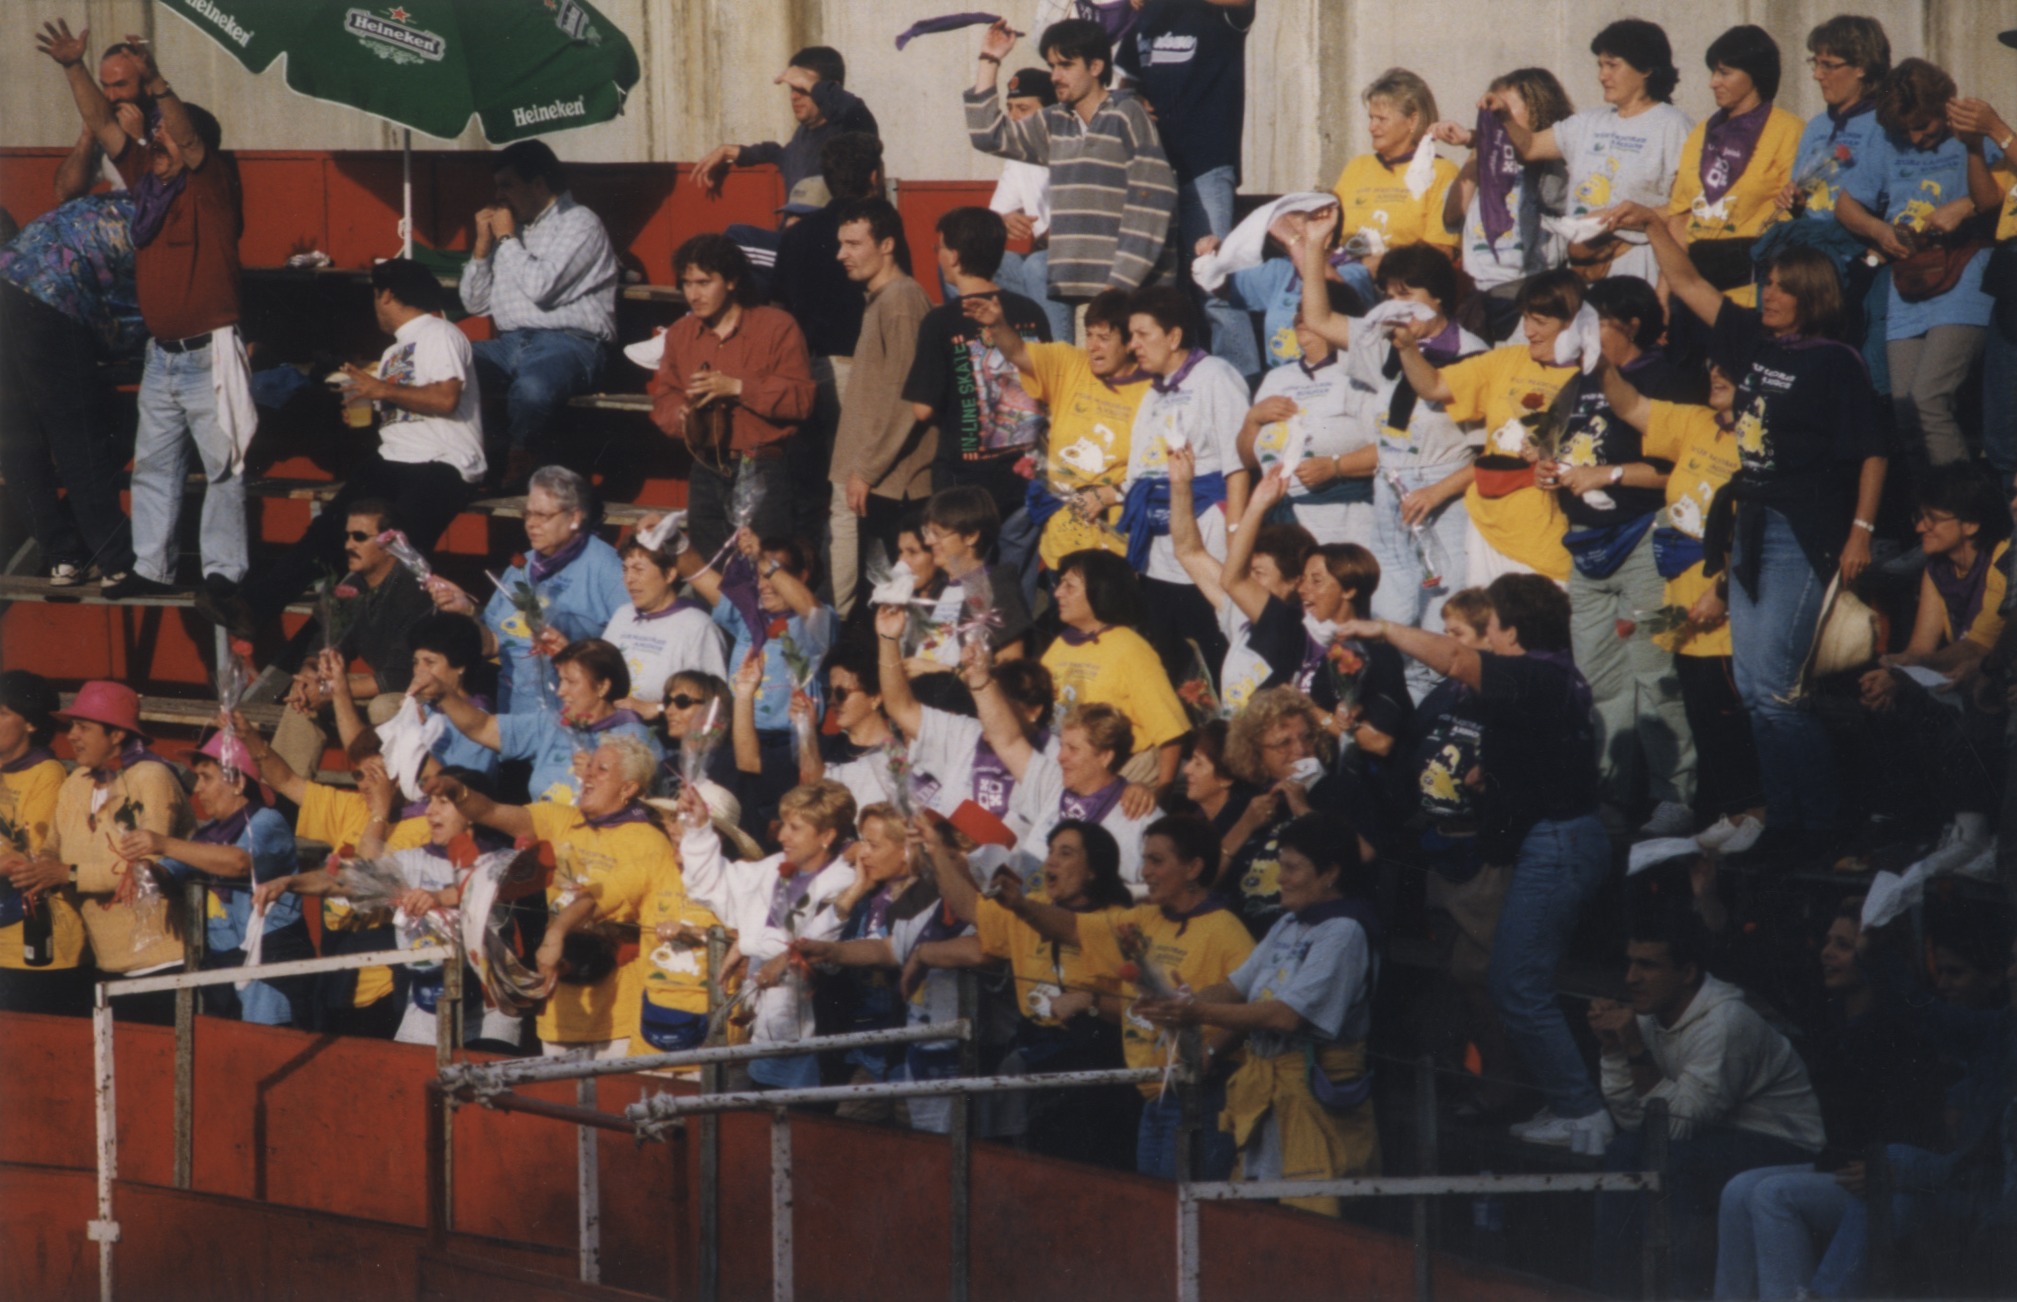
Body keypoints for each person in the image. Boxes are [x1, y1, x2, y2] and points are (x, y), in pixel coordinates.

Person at [1606, 202, 1887, 859]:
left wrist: (1861, 530)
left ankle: (1820, 825)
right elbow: (1689, 283)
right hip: (1750, 525)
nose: (1769, 295)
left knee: (1779, 693)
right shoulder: (1753, 342)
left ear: (1812, 295)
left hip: (1800, 528)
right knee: (1758, 693)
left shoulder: (1835, 361)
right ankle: (1783, 821)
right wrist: (1652, 227)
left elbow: (1872, 450)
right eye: (1768, 283)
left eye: (1783, 287)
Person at [1339, 576, 1610, 1151]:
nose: (1488, 635)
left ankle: (1585, 1113)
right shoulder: (1543, 678)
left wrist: (1382, 628)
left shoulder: (1541, 674)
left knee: (1517, 986)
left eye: (1491, 625)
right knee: (1513, 984)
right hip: (1546, 839)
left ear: (1510, 631)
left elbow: (1458, 661)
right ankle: (1572, 1106)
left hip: (1559, 843)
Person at [41, 23, 247, 606]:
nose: (154, 146)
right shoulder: (148, 184)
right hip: (163, 356)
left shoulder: (209, 185)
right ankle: (152, 566)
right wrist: (73, 67)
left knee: (224, 467)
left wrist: (155, 81)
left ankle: (224, 575)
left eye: (164, 140)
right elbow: (104, 126)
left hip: (210, 353)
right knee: (154, 466)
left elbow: (189, 136)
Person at [988, 814, 1255, 1180]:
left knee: (1182, 1206)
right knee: (1153, 1202)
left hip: (1202, 1097)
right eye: (1144, 860)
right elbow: (1073, 928)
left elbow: (1252, 1009)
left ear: (1193, 868)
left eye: (1156, 861)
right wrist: (1019, 904)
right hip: (1151, 1094)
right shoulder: (1142, 919)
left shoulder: (1228, 932)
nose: (1145, 872)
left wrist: (1209, 1053)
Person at [1140, 813, 1381, 1216]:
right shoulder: (1288, 922)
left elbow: (1286, 1017)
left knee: (1306, 1220)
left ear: (1330, 873)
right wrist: (1177, 1003)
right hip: (1268, 1094)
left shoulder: (1344, 931)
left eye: (1291, 868)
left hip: (1313, 1097)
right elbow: (1235, 987)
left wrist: (1196, 1011)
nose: (1279, 879)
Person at [1713, 901, 1947, 1302]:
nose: (1827, 953)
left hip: (1884, 1179)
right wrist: (1713, 907)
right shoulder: (1830, 1013)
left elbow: (1920, 1120)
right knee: (1738, 1190)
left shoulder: (1904, 1028)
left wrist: (1887, 1165)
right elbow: (1760, 972)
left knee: (1772, 1196)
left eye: (1843, 945)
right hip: (1836, 1168)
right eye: (1827, 941)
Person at [1587, 908, 1825, 1299]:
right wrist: (1614, 1050)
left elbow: (1676, 1129)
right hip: (1713, 1133)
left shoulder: (1726, 1022)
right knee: (1623, 1149)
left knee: (1675, 1161)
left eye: (1647, 965)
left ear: (1687, 973)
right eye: (1630, 963)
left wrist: (1633, 1048)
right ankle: (1613, 1292)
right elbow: (1634, 1122)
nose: (1631, 978)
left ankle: (1679, 1294)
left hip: (1784, 1140)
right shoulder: (1648, 1015)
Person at [239, 258, 485, 628]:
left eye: (374, 295)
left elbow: (445, 398)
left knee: (384, 557)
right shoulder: (391, 353)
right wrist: (364, 409)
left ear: (386, 295)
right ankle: (253, 607)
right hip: (394, 457)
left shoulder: (440, 333)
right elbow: (399, 408)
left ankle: (312, 647)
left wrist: (382, 390)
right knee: (329, 531)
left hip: (443, 463)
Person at [1301, 228, 1486, 699]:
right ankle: (1397, 711)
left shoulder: (1472, 354)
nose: (1395, 306)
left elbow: (1490, 455)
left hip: (1443, 496)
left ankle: (1437, 715)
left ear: (1437, 298)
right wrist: (1312, 252)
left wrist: (1437, 492)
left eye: (1407, 295)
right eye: (1388, 295)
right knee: (1390, 611)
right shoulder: (1383, 343)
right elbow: (1319, 319)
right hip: (1391, 489)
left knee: (1438, 616)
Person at [1544, 276, 1697, 837]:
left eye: (1595, 322)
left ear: (1631, 325)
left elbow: (1682, 468)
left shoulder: (1666, 380)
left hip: (1646, 539)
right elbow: (1557, 445)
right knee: (1598, 676)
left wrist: (1608, 474)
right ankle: (1612, 796)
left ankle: (1675, 795)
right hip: (1586, 546)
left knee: (1655, 672)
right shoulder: (1576, 384)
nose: (1581, 334)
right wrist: (1548, 470)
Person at [429, 737, 676, 1059]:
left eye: (602, 769)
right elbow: (490, 811)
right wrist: (459, 793)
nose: (588, 775)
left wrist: (565, 931)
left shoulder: (650, 842)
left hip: (619, 1013)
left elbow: (619, 907)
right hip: (559, 1010)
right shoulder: (562, 819)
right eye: (589, 766)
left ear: (628, 788)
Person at [1599, 361, 1765, 842]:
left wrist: (1724, 589)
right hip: (1684, 600)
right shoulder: (1696, 421)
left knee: (1731, 717)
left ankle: (1756, 813)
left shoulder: (1759, 440)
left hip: (1727, 604)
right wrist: (1597, 361)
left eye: (1729, 367)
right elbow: (1630, 405)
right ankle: (1733, 813)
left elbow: (1760, 527)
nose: (1716, 373)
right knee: (1704, 716)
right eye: (1712, 364)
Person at [921, 816, 1138, 1168]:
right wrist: (934, 849)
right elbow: (969, 908)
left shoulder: (1119, 920)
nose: (1051, 861)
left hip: (1097, 1064)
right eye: (1050, 851)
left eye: (1065, 853)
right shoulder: (1030, 905)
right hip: (1037, 1055)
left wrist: (1089, 1002)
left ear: (1093, 870)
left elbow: (1069, 927)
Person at [258, 765, 523, 1052]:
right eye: (430, 802)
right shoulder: (411, 861)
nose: (430, 811)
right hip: (427, 1006)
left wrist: (443, 896)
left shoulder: (502, 859)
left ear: (473, 810)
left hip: (491, 1007)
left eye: (443, 802)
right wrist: (290, 882)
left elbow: (498, 883)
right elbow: (345, 880)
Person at [1845, 59, 2005, 473]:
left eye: (1923, 127)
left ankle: (1959, 504)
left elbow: (2002, 192)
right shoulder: (1887, 139)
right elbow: (1846, 204)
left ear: (1944, 107)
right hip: (1910, 278)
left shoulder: (1969, 133)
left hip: (1963, 270)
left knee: (1929, 398)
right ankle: (1929, 504)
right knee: (1905, 408)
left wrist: (1964, 204)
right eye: (1906, 132)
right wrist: (1879, 230)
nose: (1915, 139)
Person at [3, 682, 195, 1025]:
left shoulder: (151, 777)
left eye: (83, 727)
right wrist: (43, 863)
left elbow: (146, 871)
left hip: (162, 961)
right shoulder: (77, 782)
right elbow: (52, 845)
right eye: (72, 726)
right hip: (106, 962)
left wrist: (67, 874)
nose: (72, 736)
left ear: (117, 734)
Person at [0, 125, 141, 588]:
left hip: (9, 275)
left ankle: (61, 554)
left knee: (17, 436)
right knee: (78, 435)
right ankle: (116, 559)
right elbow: (132, 320)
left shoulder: (96, 207)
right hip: (51, 298)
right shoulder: (153, 218)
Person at [966, 19, 1178, 311]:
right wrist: (990, 59)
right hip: (1071, 287)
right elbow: (988, 135)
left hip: (1130, 296)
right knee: (968, 267)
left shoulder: (1127, 115)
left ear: (1096, 67)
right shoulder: (1055, 121)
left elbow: (1153, 203)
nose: (1055, 76)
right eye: (1052, 66)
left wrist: (1117, 287)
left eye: (1066, 65)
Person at [1856, 467, 2009, 866]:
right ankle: (1915, 822)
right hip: (1958, 674)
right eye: (1919, 516)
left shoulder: (1999, 559)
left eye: (1933, 518)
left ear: (1970, 524)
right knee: (1885, 698)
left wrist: (1905, 668)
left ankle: (1976, 833)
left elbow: (1979, 643)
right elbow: (1921, 647)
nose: (1921, 527)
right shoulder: (1936, 568)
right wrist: (1893, 673)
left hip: (1989, 673)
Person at [1389, 269, 1582, 584]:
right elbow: (1434, 386)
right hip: (1485, 524)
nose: (1528, 331)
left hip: (1544, 535)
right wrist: (1407, 347)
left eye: (1540, 322)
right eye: (1525, 318)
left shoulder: (1591, 377)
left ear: (1573, 323)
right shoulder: (1507, 359)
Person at [670, 779, 859, 1089]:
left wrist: (748, 942)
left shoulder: (843, 883)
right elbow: (714, 887)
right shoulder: (773, 868)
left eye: (795, 828)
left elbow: (816, 946)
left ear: (826, 836)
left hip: (817, 1034)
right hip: (767, 1033)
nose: (782, 835)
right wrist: (700, 829)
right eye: (783, 825)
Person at [1114, 0, 1261, 377]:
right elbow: (1124, 85)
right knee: (1166, 293)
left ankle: (1242, 383)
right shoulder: (1144, 20)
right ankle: (1182, 383)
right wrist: (1134, 99)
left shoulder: (1217, 14)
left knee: (1213, 282)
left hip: (1206, 167)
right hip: (1154, 176)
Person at [458, 139, 618, 483]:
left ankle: (520, 460)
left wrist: (506, 240)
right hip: (509, 344)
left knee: (532, 388)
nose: (498, 196)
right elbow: (475, 303)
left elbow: (541, 287)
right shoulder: (511, 230)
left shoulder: (579, 223)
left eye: (507, 186)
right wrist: (482, 247)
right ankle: (456, 462)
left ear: (539, 185)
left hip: (570, 343)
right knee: (449, 363)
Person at [1487, 17, 1691, 285]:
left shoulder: (1674, 126)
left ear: (1646, 69)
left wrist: (1620, 219)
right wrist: (1503, 116)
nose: (1602, 75)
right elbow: (1530, 147)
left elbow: (1686, 210)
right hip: (1581, 268)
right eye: (1600, 65)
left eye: (1612, 65)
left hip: (1637, 264)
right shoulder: (1587, 123)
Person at [904, 207, 1051, 574]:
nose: (938, 256)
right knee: (1016, 580)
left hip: (964, 483)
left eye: (939, 248)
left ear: (953, 256)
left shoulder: (941, 321)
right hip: (1024, 473)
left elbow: (922, 409)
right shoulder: (1031, 312)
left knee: (971, 582)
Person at [648, 235, 813, 561]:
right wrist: (681, 415)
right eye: (687, 284)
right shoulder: (681, 333)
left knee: (765, 567)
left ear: (732, 281)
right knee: (711, 570)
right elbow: (664, 397)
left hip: (762, 465)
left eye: (704, 283)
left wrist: (737, 387)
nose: (693, 294)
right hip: (705, 465)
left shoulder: (777, 326)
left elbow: (802, 399)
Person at [964, 287, 1149, 573]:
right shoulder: (1070, 363)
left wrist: (1109, 494)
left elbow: (1157, 472)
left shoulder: (1150, 391)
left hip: (1115, 548)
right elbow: (1018, 352)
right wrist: (998, 325)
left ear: (1129, 343)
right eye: (1089, 335)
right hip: (1062, 544)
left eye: (1104, 338)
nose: (1092, 346)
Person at [1121, 285, 1253, 674]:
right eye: (1130, 335)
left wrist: (1235, 534)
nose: (1132, 345)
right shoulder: (1153, 392)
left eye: (1142, 334)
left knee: (1216, 651)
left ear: (1174, 336)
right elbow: (1139, 471)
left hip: (1207, 534)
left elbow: (1237, 466)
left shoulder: (1216, 376)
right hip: (1158, 549)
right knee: (1172, 661)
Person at [139, 731, 310, 1028]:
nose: (198, 789)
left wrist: (163, 844)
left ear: (238, 783)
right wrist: (145, 869)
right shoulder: (207, 834)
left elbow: (238, 862)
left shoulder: (267, 821)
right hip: (223, 963)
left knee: (266, 1043)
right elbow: (170, 871)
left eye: (206, 777)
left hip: (268, 964)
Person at [427, 465, 625, 715]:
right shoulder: (523, 565)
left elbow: (629, 653)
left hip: (573, 716)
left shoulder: (605, 567)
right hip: (514, 713)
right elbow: (492, 644)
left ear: (574, 518)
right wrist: (466, 612)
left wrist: (572, 654)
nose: (531, 524)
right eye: (528, 514)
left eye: (542, 515)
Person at [772, 132, 890, 547]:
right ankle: (844, 588)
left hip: (805, 369)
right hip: (861, 372)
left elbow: (779, 306)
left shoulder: (798, 235)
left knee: (810, 495)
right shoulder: (879, 236)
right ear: (873, 177)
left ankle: (812, 580)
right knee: (851, 498)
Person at [266, 501, 436, 776]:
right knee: (303, 701)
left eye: (359, 537)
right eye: (346, 536)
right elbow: (323, 646)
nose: (348, 545)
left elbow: (398, 677)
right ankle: (283, 795)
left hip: (428, 695)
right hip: (388, 686)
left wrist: (328, 691)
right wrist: (310, 675)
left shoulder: (414, 589)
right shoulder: (353, 588)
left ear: (389, 543)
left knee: (383, 708)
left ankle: (393, 797)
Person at [828, 197, 935, 618]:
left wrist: (867, 469)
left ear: (887, 245)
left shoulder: (901, 301)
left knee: (897, 603)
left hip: (895, 484)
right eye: (841, 244)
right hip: (879, 481)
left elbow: (906, 398)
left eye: (854, 244)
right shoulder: (882, 299)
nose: (841, 255)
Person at [876, 602, 1055, 835]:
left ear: (1033, 711)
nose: (986, 714)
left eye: (1001, 707)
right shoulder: (966, 733)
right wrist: (888, 639)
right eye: (984, 703)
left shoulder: (1057, 758)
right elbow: (900, 708)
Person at [1429, 67, 1575, 342]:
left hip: (1531, 291)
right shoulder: (1486, 160)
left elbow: (1549, 185)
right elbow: (1452, 217)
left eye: (1504, 108)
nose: (1495, 115)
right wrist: (1478, 147)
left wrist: (1479, 136)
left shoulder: (1552, 164)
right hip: (1482, 294)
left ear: (1538, 111)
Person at [1168, 446, 1315, 716]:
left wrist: (1257, 505)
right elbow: (1188, 551)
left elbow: (1233, 580)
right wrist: (1180, 486)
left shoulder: (1294, 627)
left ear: (1294, 582)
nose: (1249, 579)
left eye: (1259, 573)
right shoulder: (1240, 612)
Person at [1663, 26, 1803, 307]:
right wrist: (1665, 291)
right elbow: (1679, 218)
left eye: (1724, 73)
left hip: (1749, 282)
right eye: (1713, 72)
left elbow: (1794, 214)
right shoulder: (1701, 132)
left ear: (1755, 74)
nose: (1712, 82)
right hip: (1693, 284)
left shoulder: (1789, 130)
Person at [433, 636, 661, 807]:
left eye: (571, 682)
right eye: (560, 681)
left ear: (603, 686)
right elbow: (483, 727)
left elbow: (643, 807)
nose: (561, 691)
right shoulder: (552, 723)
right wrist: (443, 694)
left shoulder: (635, 738)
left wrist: (597, 779)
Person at [1235, 286, 1376, 547]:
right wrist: (1253, 419)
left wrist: (1335, 466)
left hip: (1346, 518)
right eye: (1298, 310)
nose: (1300, 317)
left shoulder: (1358, 374)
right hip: (1284, 522)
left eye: (1309, 311)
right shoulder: (1276, 378)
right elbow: (1248, 460)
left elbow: (1389, 449)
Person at [1038, 549, 1190, 789]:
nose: (1057, 593)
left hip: (1120, 776)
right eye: (1060, 584)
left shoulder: (1130, 649)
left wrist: (1162, 791)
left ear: (1100, 591)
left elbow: (1170, 731)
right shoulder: (1060, 645)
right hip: (1067, 769)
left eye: (1070, 586)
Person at [1217, 687, 1345, 938]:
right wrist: (1245, 826)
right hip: (1239, 935)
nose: (1300, 749)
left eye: (1307, 737)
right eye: (1284, 743)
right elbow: (1199, 881)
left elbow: (1360, 856)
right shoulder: (1242, 804)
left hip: (1308, 932)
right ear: (1256, 752)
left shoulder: (1337, 791)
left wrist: (1303, 811)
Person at [0, 672, 85, 1016]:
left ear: (31, 723)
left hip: (39, 941)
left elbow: (27, 862)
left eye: (2, 713)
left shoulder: (47, 773)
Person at [692, 46, 879, 198]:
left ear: (830, 87)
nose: (794, 96)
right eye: (792, 88)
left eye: (803, 87)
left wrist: (812, 85)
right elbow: (779, 154)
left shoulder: (851, 130)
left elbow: (853, 109)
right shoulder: (802, 137)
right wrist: (729, 151)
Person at [1330, 68, 1459, 272]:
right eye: (1371, 118)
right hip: (1343, 273)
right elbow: (1330, 232)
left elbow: (1440, 251)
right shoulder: (1357, 166)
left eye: (1381, 119)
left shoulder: (1441, 172)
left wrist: (1370, 267)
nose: (1372, 127)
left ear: (1412, 120)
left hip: (1398, 279)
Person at [892, 489, 1035, 667]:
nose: (928, 541)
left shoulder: (998, 587)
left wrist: (942, 672)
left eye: (937, 534)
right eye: (927, 532)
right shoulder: (937, 591)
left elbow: (1011, 669)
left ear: (970, 536)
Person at [988, 67, 1076, 344]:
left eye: (1023, 109)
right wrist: (1002, 222)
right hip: (1045, 257)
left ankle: (1058, 358)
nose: (1013, 117)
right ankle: (991, 356)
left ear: (1050, 110)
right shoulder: (1019, 153)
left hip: (1085, 259)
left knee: (1037, 267)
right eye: (1010, 108)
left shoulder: (1074, 143)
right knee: (970, 261)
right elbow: (995, 214)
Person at [602, 532, 729, 720]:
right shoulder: (623, 614)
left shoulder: (697, 625)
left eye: (638, 570)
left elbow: (714, 701)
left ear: (669, 574)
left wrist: (658, 709)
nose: (629, 579)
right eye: (625, 569)